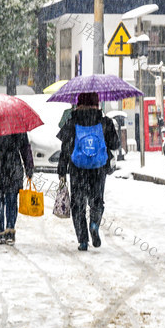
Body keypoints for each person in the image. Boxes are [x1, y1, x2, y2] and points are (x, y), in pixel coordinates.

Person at [56, 92, 120, 250]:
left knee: (78, 205)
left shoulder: (72, 121)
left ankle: (83, 240)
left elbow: (65, 149)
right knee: (97, 201)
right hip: (98, 168)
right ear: (97, 104)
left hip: (78, 169)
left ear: (78, 104)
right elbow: (115, 144)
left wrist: (62, 170)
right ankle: (94, 224)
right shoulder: (105, 121)